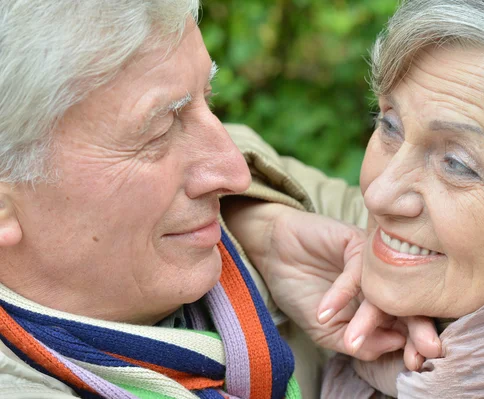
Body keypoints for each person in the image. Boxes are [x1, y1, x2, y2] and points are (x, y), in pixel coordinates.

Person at [0, 1, 442, 398]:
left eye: (209, 101)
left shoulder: (266, 222)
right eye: (157, 132)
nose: (233, 172)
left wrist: (258, 223)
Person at [224, 0, 484, 397]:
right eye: (390, 125)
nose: (379, 194)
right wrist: (263, 230)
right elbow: (184, 150)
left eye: (457, 164)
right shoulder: (358, 250)